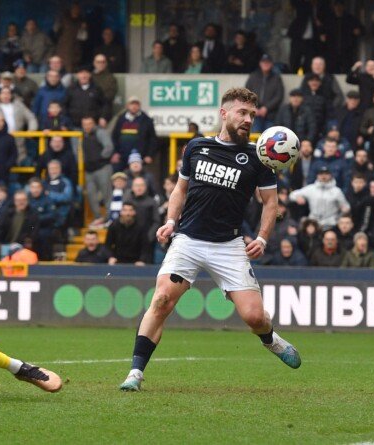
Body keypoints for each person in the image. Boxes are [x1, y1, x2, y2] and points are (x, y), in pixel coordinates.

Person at [118, 87, 301, 392]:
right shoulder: (196, 147)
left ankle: (270, 339)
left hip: (228, 247)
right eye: (242, 112)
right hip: (188, 240)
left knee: (255, 317)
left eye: (252, 115)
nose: (248, 119)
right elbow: (180, 190)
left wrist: (263, 238)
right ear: (223, 113)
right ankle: (135, 373)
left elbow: (271, 203)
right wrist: (170, 222)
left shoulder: (259, 157)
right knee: (161, 299)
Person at [111, 97, 157, 168]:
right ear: (127, 106)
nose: (134, 106)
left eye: (136, 104)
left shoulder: (146, 120)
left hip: (140, 158)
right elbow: (115, 137)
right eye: (132, 104)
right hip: (122, 157)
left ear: (139, 106)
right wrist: (115, 153)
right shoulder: (121, 119)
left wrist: (149, 155)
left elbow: (152, 139)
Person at [245, 54, 284, 133]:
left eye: (268, 62)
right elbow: (246, 93)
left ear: (271, 64)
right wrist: (254, 108)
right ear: (260, 63)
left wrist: (266, 108)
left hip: (271, 115)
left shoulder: (277, 77)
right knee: (254, 137)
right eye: (264, 62)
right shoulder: (253, 76)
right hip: (255, 114)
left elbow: (279, 96)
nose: (266, 64)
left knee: (269, 137)